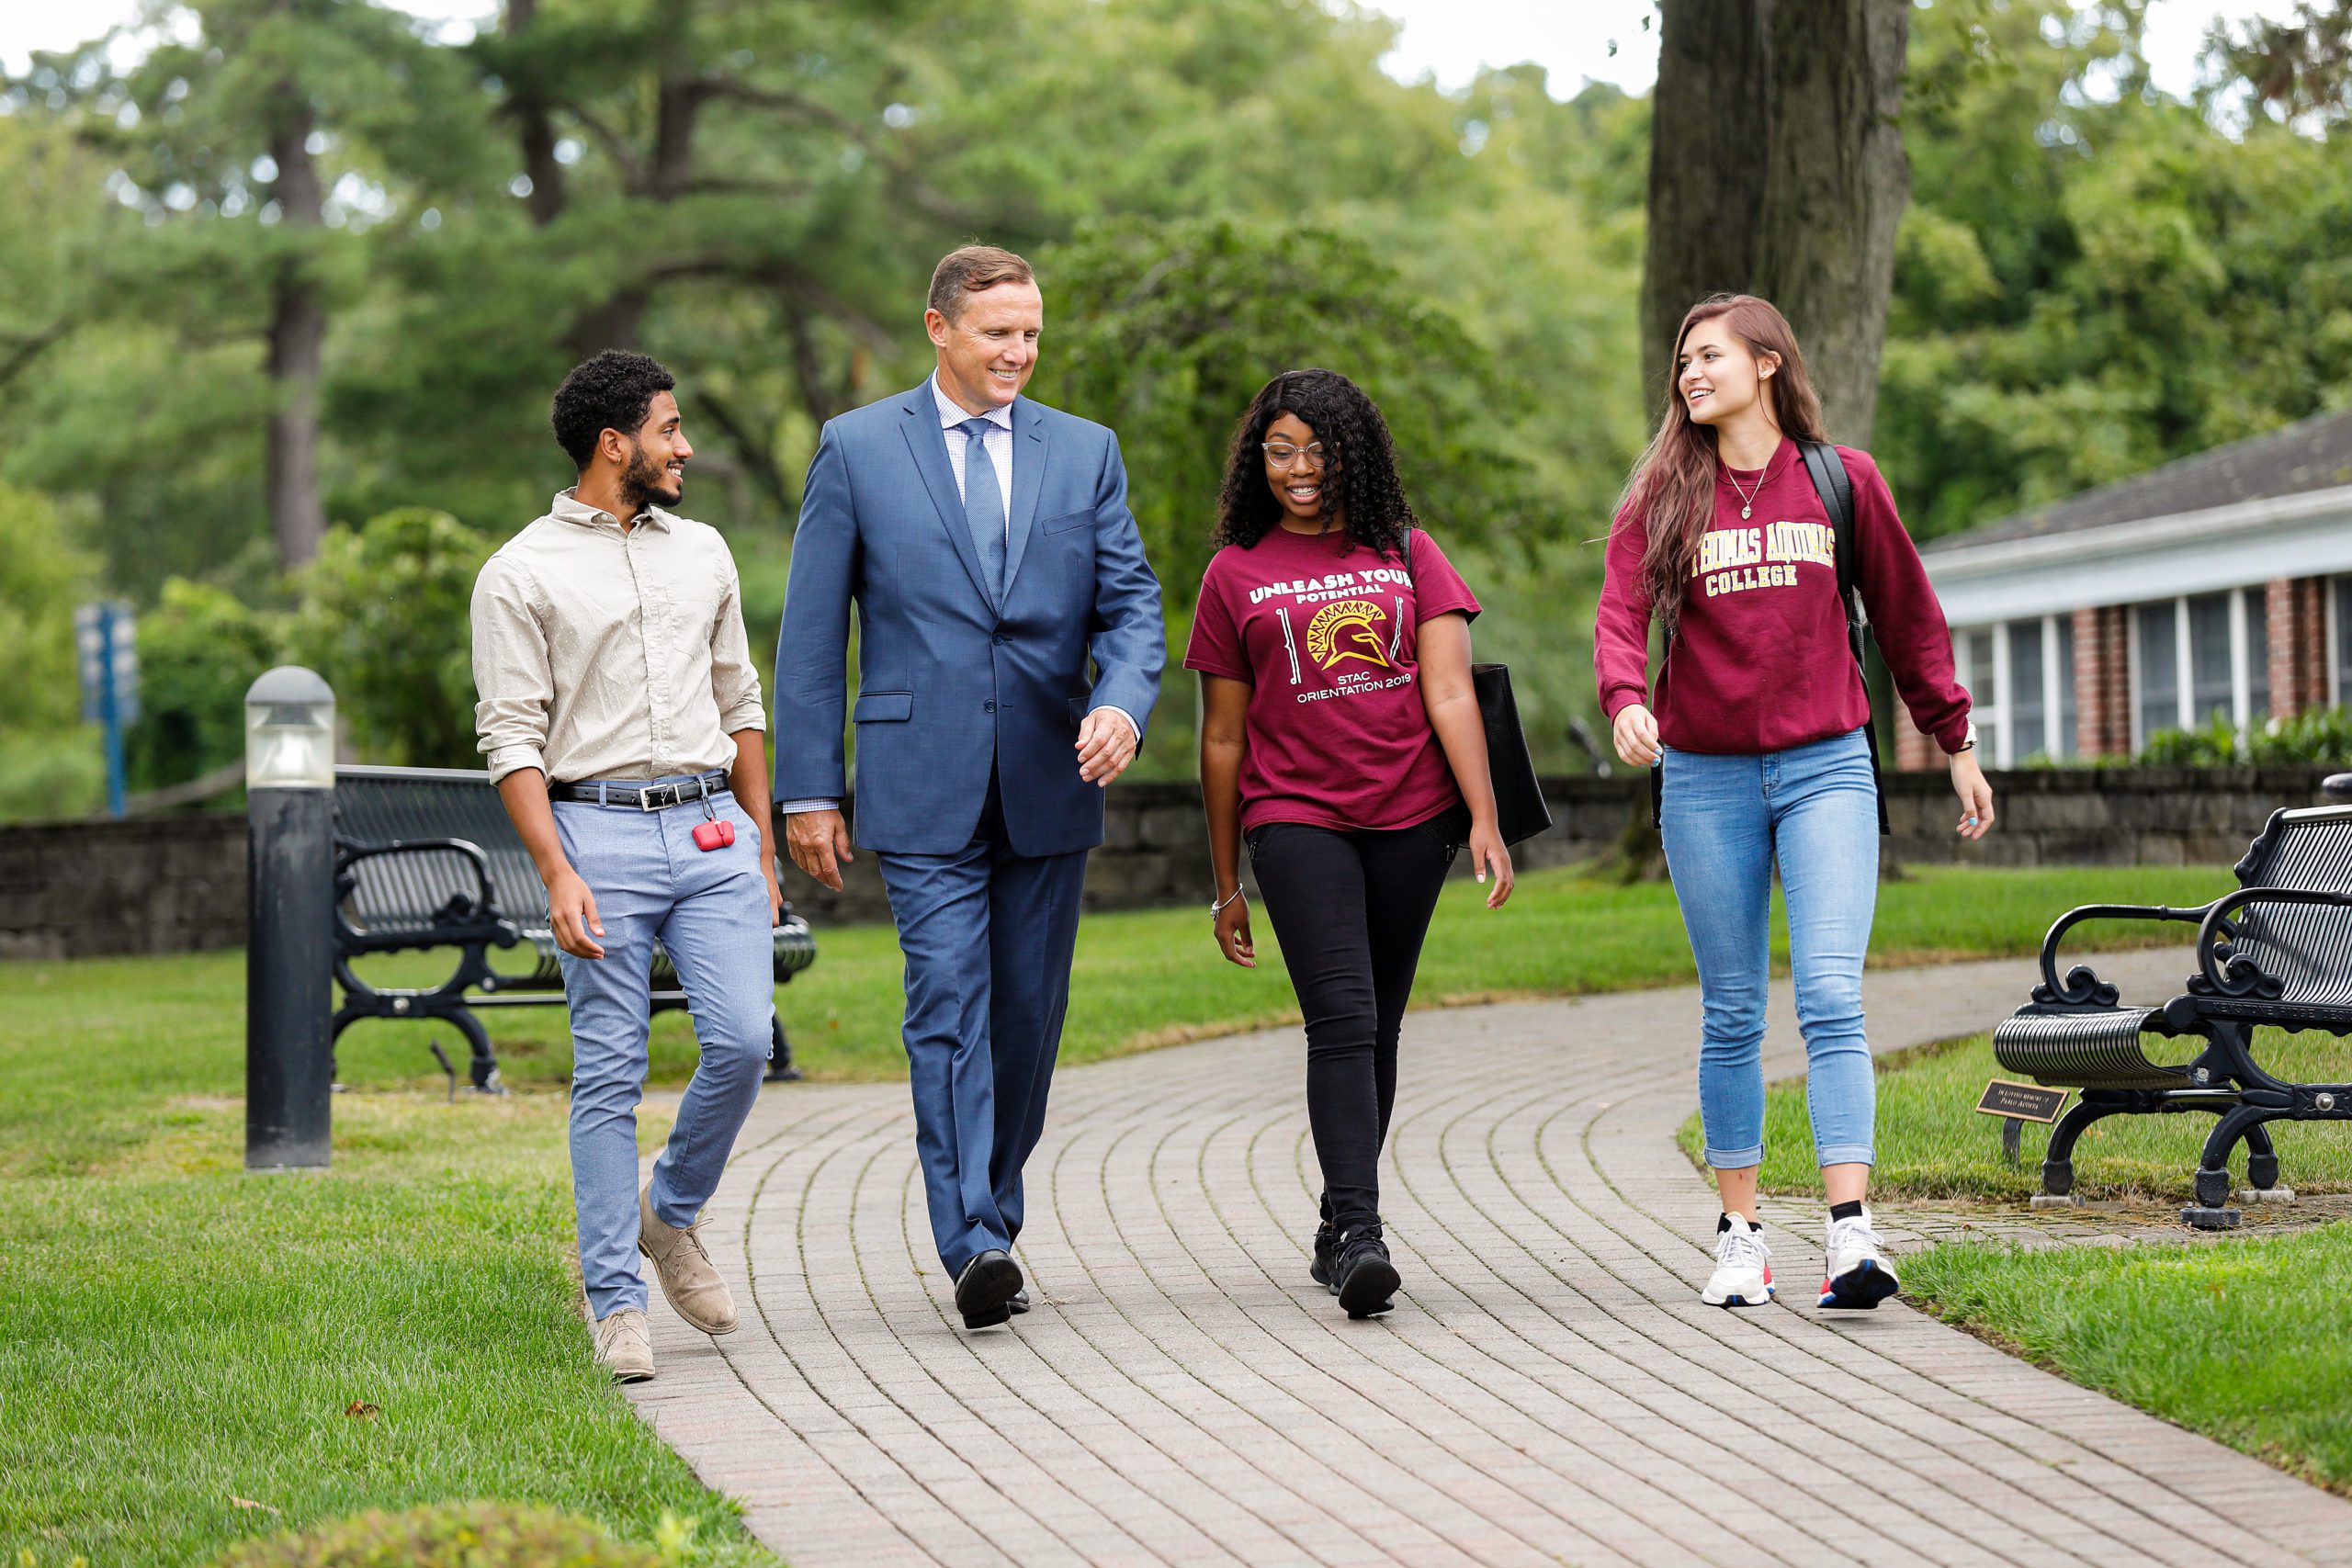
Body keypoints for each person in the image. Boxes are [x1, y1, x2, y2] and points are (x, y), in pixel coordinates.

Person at [772, 244, 1163, 1331]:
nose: (1020, 352)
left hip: (1050, 773)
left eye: (1032, 332)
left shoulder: (1084, 453)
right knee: (946, 1004)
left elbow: (1132, 607)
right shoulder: (856, 450)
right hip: (918, 780)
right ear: (939, 328)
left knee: (1029, 1020)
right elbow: (812, 639)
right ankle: (974, 1242)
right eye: (999, 332)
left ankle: (990, 1207)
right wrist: (809, 791)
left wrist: (1122, 703)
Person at [1593, 295, 1995, 1312]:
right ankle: (1739, 1239)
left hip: (1826, 766)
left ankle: (1851, 1234)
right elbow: (1619, 613)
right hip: (1705, 779)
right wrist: (1625, 699)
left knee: (1829, 994)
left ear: (1767, 362)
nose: (1690, 372)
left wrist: (1956, 741)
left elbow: (1908, 618)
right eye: (1682, 359)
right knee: (1731, 1009)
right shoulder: (1661, 496)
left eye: (1710, 354)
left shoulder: (1838, 480)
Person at [472, 350, 782, 1382]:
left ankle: (669, 1214)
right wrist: (558, 872)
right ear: (617, 445)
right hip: (596, 836)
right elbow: (511, 737)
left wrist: (760, 841)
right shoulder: (520, 572)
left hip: (708, 831)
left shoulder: (703, 553)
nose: (684, 445)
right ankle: (615, 1303)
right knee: (608, 1073)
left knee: (742, 1043)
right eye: (669, 427)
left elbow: (740, 701)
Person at [1187, 367, 1514, 1321]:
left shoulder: (1407, 551)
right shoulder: (1234, 570)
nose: (1297, 468)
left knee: (1378, 1023)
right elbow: (1220, 737)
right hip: (1293, 817)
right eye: (1278, 449)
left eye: (1316, 448)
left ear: (1351, 452)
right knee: (1339, 1016)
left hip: (1414, 817)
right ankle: (1364, 1237)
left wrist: (1483, 817)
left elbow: (1450, 691)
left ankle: (1338, 1221)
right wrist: (1224, 880)